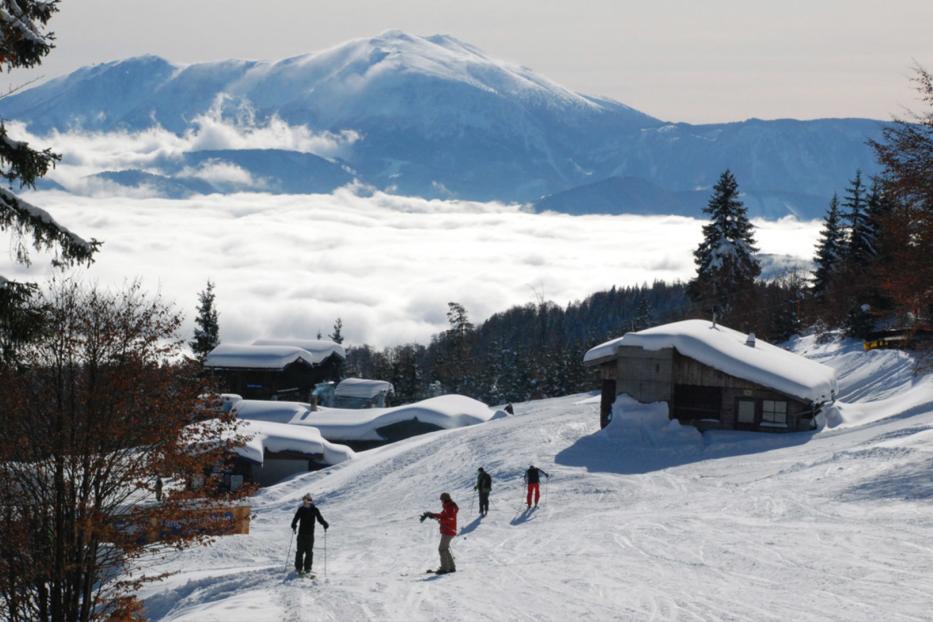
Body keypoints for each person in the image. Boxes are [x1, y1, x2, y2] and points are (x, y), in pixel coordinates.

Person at [420, 492, 458, 574]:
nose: (441, 501)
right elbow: (442, 515)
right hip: (448, 531)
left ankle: (445, 568)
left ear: (445, 499)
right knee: (445, 548)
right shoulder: (448, 506)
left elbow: (450, 518)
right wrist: (432, 515)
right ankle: (451, 567)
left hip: (449, 531)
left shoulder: (450, 507)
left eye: (442, 499)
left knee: (442, 549)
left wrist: (441, 520)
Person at [291, 493, 329, 575]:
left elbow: (320, 518)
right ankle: (298, 568)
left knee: (309, 552)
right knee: (300, 551)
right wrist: (293, 525)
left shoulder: (315, 510)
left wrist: (324, 523)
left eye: (307, 500)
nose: (305, 502)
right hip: (301, 534)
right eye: (304, 500)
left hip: (310, 534)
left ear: (310, 501)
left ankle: (307, 568)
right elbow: (296, 518)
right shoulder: (301, 509)